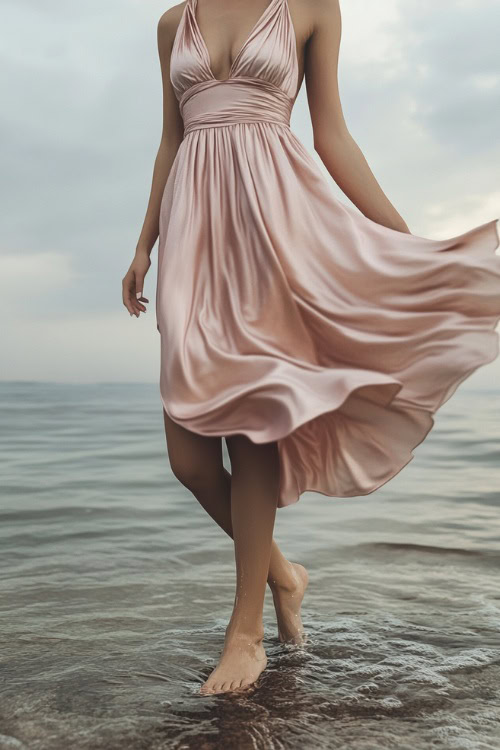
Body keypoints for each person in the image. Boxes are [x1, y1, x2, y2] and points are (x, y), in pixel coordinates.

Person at [122, 0, 500, 696]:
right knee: (191, 461)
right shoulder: (173, 25)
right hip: (193, 236)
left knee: (254, 417)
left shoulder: (311, 7)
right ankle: (284, 576)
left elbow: (334, 138)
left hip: (274, 228)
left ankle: (246, 635)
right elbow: (171, 141)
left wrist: (405, 244)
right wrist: (144, 244)